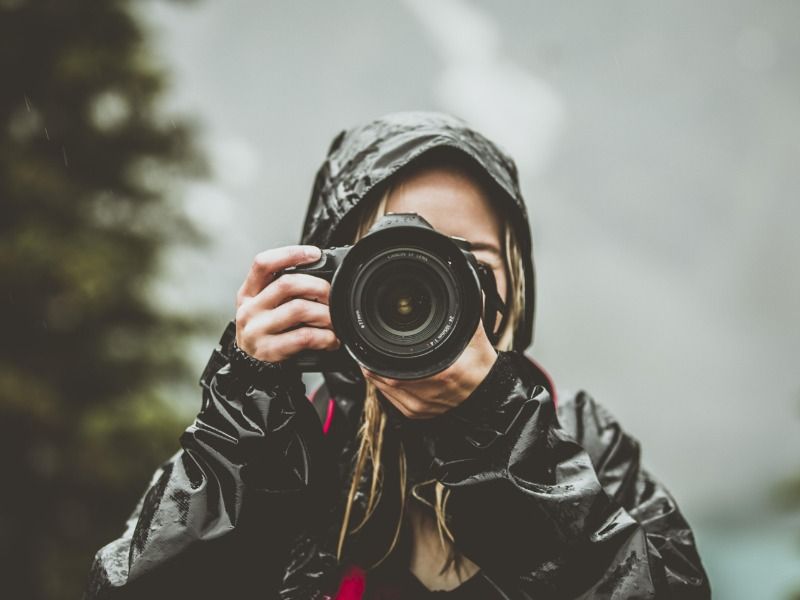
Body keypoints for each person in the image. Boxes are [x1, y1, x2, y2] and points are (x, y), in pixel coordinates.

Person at [85, 112, 711, 599]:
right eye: (395, 266)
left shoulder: (582, 445)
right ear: (327, 282)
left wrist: (501, 436)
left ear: (515, 288)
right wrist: (243, 411)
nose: (431, 293)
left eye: (469, 264)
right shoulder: (281, 442)